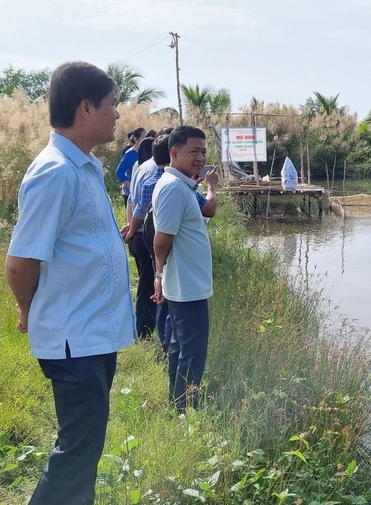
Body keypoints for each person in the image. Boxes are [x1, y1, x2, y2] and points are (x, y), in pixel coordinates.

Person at [5, 61, 135, 505]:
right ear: (85, 107)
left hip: (93, 336)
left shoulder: (85, 167)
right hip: (73, 339)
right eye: (112, 104)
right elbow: (21, 263)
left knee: (86, 448)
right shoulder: (56, 172)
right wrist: (28, 311)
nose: (118, 113)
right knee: (77, 454)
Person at [151, 125, 217, 412]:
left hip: (188, 283)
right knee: (192, 351)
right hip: (185, 286)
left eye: (203, 151)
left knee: (180, 347)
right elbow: (161, 240)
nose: (201, 157)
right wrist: (159, 274)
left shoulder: (183, 185)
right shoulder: (174, 189)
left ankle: (177, 405)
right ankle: (188, 408)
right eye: (194, 151)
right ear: (174, 152)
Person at [115, 126, 146, 203]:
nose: (146, 139)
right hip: (130, 193)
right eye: (144, 137)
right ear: (136, 139)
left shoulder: (144, 152)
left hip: (141, 190)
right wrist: (130, 186)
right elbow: (119, 171)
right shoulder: (129, 154)